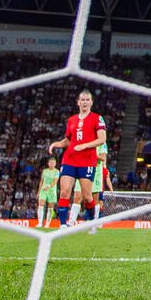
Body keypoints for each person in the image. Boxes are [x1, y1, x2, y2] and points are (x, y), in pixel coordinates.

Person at [47, 91, 105, 226]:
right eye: (82, 100)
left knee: (87, 197)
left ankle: (91, 223)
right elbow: (68, 141)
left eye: (87, 100)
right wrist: (57, 144)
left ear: (91, 102)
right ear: (78, 102)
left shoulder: (97, 118)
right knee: (65, 192)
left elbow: (102, 139)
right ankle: (62, 225)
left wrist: (84, 146)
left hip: (87, 161)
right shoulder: (71, 120)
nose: (84, 102)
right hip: (69, 159)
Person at [36, 156, 60, 229]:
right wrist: (38, 191)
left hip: (52, 191)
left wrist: (49, 186)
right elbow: (41, 182)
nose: (52, 164)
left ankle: (47, 224)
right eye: (51, 162)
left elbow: (55, 181)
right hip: (43, 190)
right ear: (48, 163)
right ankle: (40, 223)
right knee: (41, 205)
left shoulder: (57, 171)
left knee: (50, 207)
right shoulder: (45, 171)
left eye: (53, 163)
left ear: (55, 164)